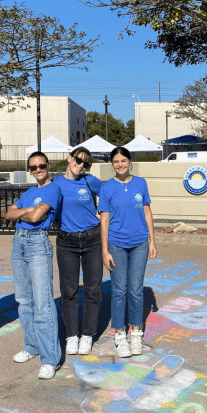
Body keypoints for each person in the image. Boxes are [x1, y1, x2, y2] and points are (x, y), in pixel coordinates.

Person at [6, 151, 61, 380]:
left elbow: (37, 217)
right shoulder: (30, 191)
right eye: (33, 167)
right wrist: (25, 213)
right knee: (23, 300)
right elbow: (8, 213)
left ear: (48, 165)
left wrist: (25, 213)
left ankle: (50, 359)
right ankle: (32, 346)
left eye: (41, 166)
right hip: (18, 242)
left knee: (43, 303)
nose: (37, 170)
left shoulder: (53, 189)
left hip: (38, 243)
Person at [99, 147, 157, 358]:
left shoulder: (140, 183)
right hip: (117, 244)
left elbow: (147, 212)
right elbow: (104, 219)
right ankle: (120, 334)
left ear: (130, 162)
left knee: (135, 289)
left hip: (140, 243)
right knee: (119, 290)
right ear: (112, 164)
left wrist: (152, 241)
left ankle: (136, 331)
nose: (120, 164)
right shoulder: (107, 188)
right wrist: (105, 250)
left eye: (123, 160)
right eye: (116, 161)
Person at [53, 147, 103, 356]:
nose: (80, 165)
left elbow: (110, 197)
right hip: (67, 241)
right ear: (69, 158)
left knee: (93, 289)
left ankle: (88, 335)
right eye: (78, 160)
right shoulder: (55, 184)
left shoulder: (91, 182)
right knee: (69, 291)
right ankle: (71, 335)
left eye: (85, 163)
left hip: (92, 239)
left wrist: (104, 218)